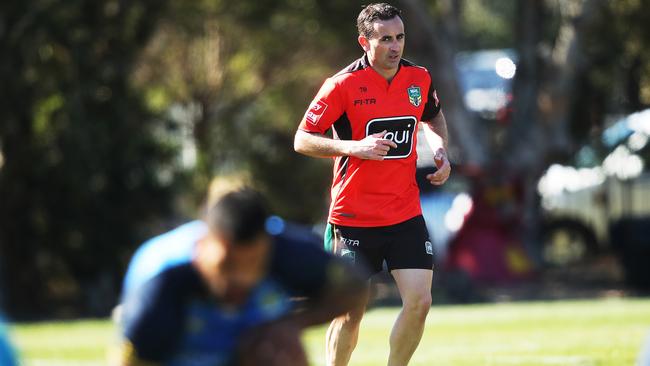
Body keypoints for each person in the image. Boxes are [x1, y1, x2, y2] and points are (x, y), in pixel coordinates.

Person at [293, 3, 451, 365]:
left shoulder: (419, 78)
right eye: (385, 40)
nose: (395, 47)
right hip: (352, 219)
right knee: (349, 312)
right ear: (364, 42)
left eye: (400, 37)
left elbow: (433, 115)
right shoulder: (342, 85)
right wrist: (353, 147)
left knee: (420, 303)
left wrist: (441, 150)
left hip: (404, 214)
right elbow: (302, 138)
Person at [114, 185, 368, 366]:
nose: (241, 278)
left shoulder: (287, 251)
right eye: (228, 264)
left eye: (254, 263)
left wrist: (289, 324)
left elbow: (355, 286)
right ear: (203, 244)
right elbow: (133, 357)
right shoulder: (161, 282)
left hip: (254, 351)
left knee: (281, 349)